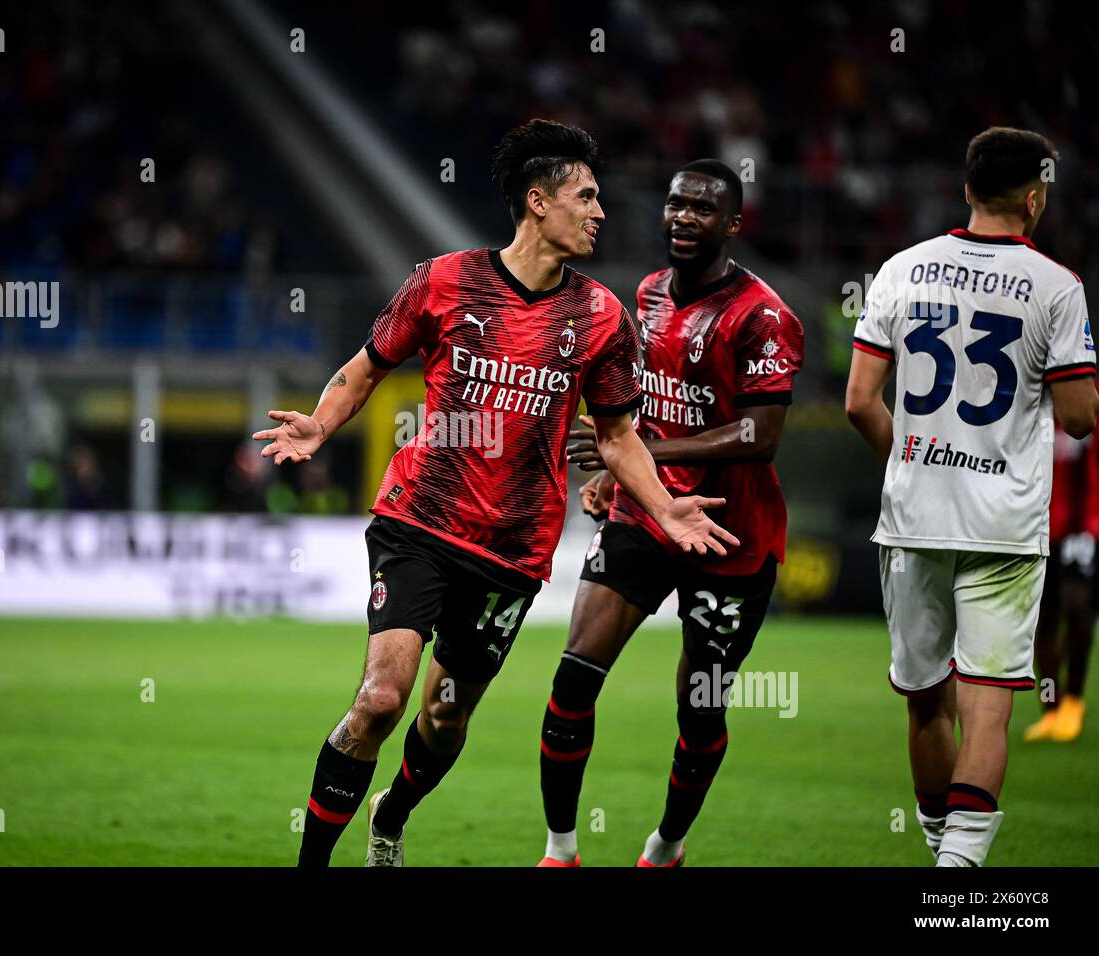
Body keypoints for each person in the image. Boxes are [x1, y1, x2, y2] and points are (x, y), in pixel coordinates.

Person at [254, 119, 738, 867]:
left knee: (445, 719)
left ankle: (393, 814)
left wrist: (665, 502)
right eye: (586, 196)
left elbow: (616, 437)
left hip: (512, 549)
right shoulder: (445, 280)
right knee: (382, 699)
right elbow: (369, 364)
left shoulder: (602, 318)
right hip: (419, 519)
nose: (601, 212)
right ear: (538, 202)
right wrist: (320, 424)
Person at [537, 160, 804, 867]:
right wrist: (624, 472)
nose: (684, 218)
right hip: (646, 515)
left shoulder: (764, 317)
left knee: (701, 706)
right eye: (676, 205)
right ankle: (561, 851)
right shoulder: (649, 293)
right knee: (573, 676)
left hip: (730, 535)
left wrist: (640, 451)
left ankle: (666, 846)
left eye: (703, 209)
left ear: (733, 223)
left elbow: (761, 434)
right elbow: (643, 408)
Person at [846, 127, 1099, 866]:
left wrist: (917, 462)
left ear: (966, 191)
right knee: (989, 706)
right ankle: (959, 874)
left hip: (913, 519)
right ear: (1035, 198)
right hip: (1004, 524)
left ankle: (939, 860)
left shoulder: (902, 269)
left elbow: (861, 400)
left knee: (927, 702)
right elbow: (1080, 418)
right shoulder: (1057, 286)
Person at [1024, 423, 1099, 742]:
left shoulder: (1086, 407)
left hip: (1082, 527)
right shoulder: (1035, 405)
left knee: (1078, 609)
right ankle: (1050, 705)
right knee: (1043, 620)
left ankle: (1072, 697)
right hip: (1039, 527)